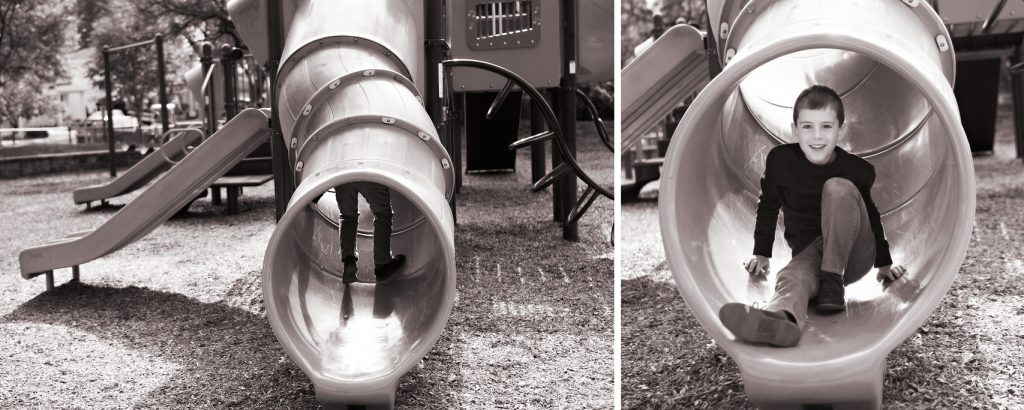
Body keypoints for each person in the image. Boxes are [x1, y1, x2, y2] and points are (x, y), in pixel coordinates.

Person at [718, 85, 907, 347]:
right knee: (791, 276)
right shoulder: (781, 162)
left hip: (854, 253)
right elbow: (768, 205)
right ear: (795, 129)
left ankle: (832, 280)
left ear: (840, 130)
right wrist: (761, 254)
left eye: (826, 126)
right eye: (807, 126)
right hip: (811, 253)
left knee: (837, 188)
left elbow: (872, 216)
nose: (816, 135)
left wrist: (884, 263)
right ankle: (780, 319)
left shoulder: (856, 170)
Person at [335, 182, 405, 285]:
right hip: (369, 176)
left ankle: (349, 261)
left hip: (342, 176)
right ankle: (382, 265)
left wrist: (315, 198)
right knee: (382, 214)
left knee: (347, 216)